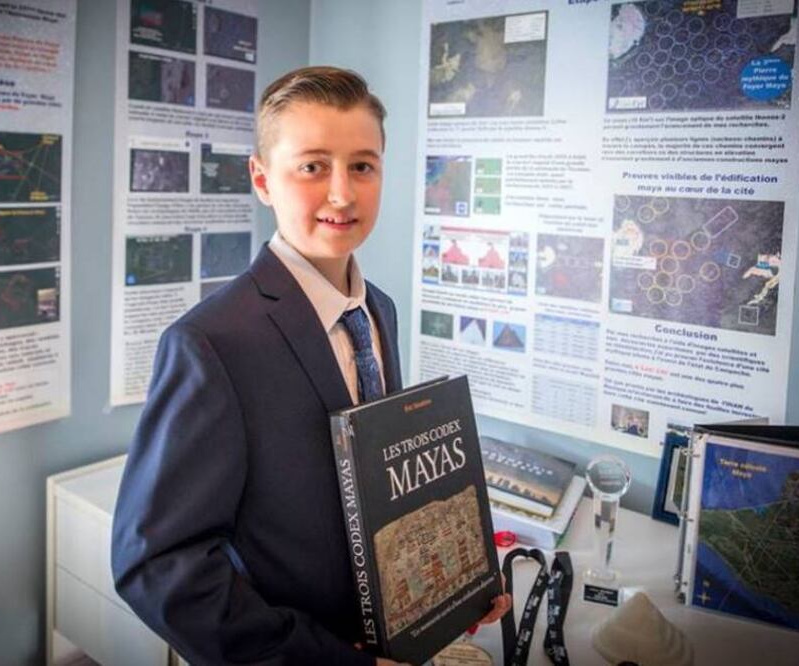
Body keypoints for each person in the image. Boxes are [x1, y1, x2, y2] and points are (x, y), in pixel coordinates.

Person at [111, 66, 510, 666]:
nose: (342, 194)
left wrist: (452, 586)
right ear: (262, 178)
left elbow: (381, 489)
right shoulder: (211, 343)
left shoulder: (378, 311)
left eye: (362, 166)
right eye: (312, 166)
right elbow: (158, 566)